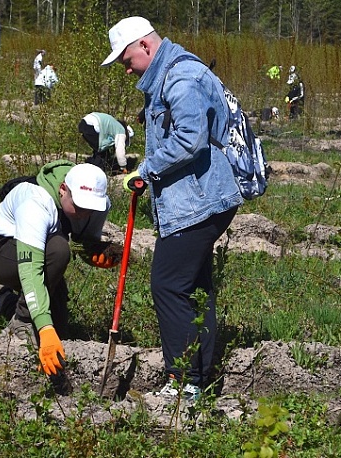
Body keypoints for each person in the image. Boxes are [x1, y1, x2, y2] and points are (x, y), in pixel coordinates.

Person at [101, 16, 244, 399]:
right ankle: (200, 376)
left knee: (168, 284)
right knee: (195, 285)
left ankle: (184, 385)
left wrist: (145, 172)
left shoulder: (182, 77)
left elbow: (189, 139)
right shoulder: (169, 75)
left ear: (146, 46)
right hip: (199, 198)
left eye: (126, 59)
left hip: (200, 201)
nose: (126, 69)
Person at [0, 160, 119, 380]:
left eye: (90, 209)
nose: (84, 213)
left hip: (41, 246)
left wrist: (96, 255)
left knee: (60, 324)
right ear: (63, 189)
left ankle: (1, 298)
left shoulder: (96, 205)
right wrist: (43, 326)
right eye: (79, 206)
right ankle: (20, 321)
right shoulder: (35, 202)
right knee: (58, 252)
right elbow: (31, 269)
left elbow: (83, 241)